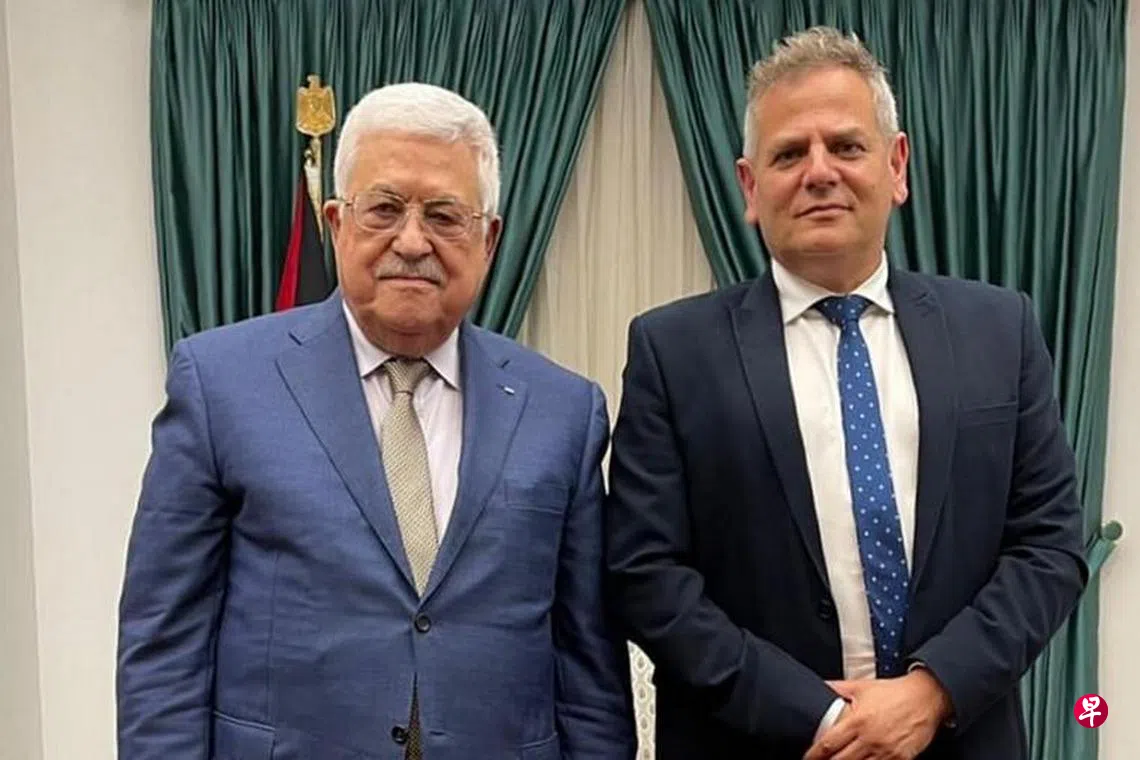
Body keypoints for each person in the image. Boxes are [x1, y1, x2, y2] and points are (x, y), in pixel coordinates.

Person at [605, 26, 1087, 760]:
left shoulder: (1001, 331)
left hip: (961, 736)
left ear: (896, 167)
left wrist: (932, 691)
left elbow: (1048, 546)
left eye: (846, 146)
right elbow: (647, 576)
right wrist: (825, 718)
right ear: (750, 187)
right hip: (757, 742)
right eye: (789, 154)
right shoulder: (672, 352)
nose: (819, 172)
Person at [117, 82, 635, 760]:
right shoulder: (221, 385)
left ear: (489, 239)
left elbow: (588, 668)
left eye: (445, 215)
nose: (412, 241)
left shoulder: (563, 411)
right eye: (384, 209)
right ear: (336, 223)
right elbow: (163, 649)